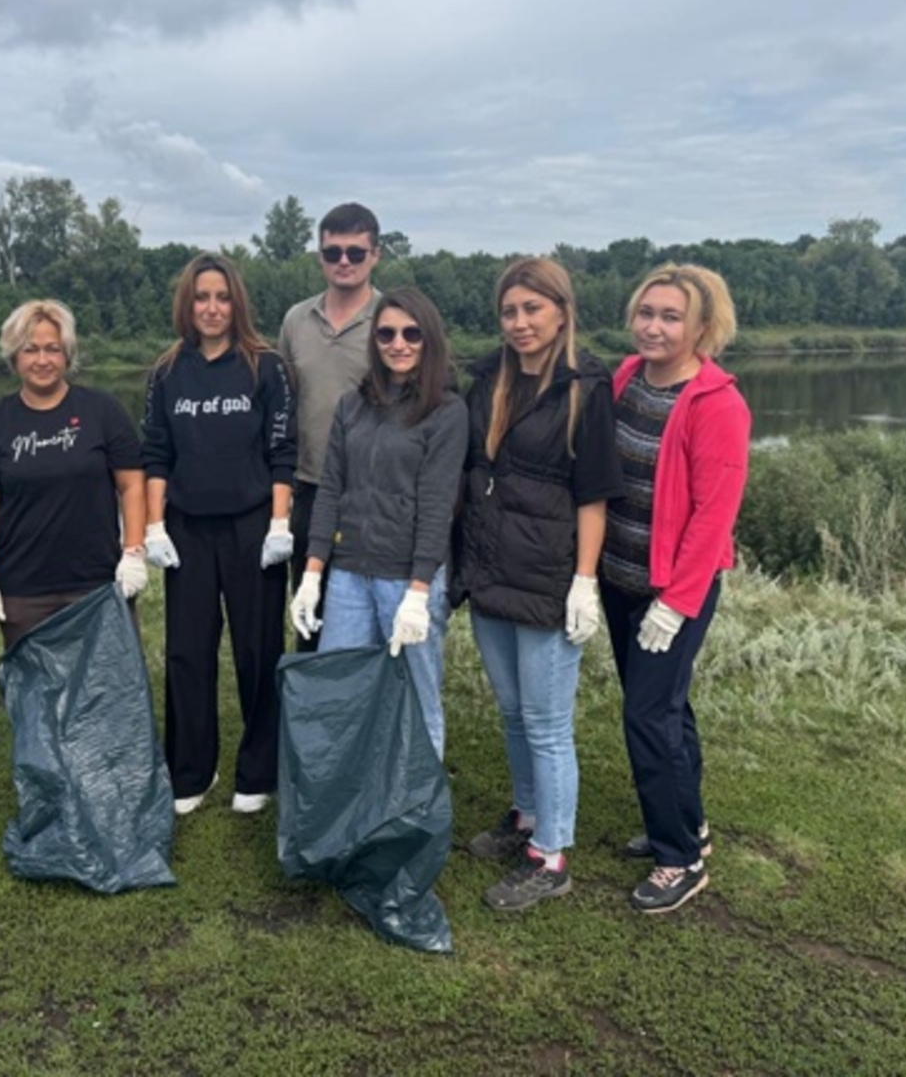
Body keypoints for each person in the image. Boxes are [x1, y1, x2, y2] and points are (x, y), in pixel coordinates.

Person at [452, 259, 625, 913]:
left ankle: (551, 856)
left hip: (550, 576)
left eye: (533, 309)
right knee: (512, 710)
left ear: (561, 310)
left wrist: (585, 582)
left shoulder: (585, 388)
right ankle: (526, 816)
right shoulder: (487, 381)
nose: (520, 324)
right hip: (491, 571)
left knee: (548, 723)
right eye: (509, 312)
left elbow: (593, 496)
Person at [599, 263, 750, 914]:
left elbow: (714, 515)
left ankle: (678, 859)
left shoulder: (718, 404)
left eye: (670, 317)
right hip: (619, 578)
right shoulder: (627, 379)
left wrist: (677, 602)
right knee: (663, 707)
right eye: (647, 313)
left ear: (701, 328)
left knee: (646, 718)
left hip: (671, 590)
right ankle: (691, 824)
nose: (654, 327)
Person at [140, 254, 297, 816]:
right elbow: (156, 453)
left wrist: (281, 522)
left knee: (258, 650)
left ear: (237, 304)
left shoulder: (265, 366)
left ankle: (258, 769)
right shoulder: (166, 370)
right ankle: (190, 769)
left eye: (222, 297)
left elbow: (283, 450)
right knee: (187, 650)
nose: (211, 307)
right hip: (187, 527)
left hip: (254, 526)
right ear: (188, 303)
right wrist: (153, 524)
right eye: (202, 297)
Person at [289, 287, 466, 758]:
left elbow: (437, 504)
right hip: (348, 574)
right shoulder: (353, 406)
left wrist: (420, 590)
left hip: (408, 581)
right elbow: (331, 490)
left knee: (416, 698)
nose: (399, 343)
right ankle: (344, 802)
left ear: (429, 339)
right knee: (338, 692)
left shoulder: (446, 411)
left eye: (411, 333)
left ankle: (417, 814)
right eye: (386, 333)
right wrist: (312, 573)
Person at [0, 300, 147, 650]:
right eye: (30, 350)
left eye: (53, 349)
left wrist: (133, 552)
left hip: (97, 582)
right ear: (14, 356)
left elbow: (132, 484)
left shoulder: (102, 411)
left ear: (68, 355)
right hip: (23, 590)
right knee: (36, 696)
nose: (42, 360)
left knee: (107, 693)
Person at [277, 202, 383, 651]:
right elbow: (282, 403)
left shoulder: (392, 321)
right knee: (309, 610)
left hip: (372, 490)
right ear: (320, 256)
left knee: (370, 614)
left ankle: (373, 712)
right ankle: (314, 712)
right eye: (333, 252)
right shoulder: (296, 320)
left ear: (375, 255)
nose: (344, 261)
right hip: (309, 486)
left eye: (356, 253)